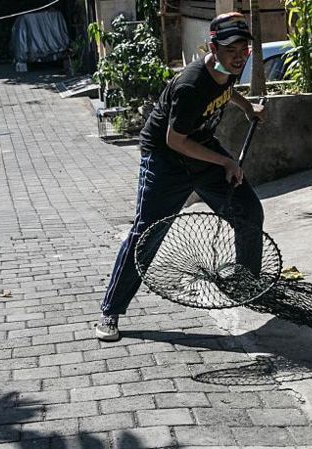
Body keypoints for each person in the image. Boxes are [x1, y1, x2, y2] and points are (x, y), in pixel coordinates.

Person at [95, 12, 267, 341]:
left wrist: (247, 108)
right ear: (213, 48)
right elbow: (175, 141)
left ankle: (246, 281)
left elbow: (227, 90)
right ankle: (111, 311)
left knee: (248, 210)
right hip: (166, 162)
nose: (239, 56)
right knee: (146, 235)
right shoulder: (191, 85)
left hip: (200, 149)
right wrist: (226, 162)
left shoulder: (226, 68)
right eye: (231, 50)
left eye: (244, 49)